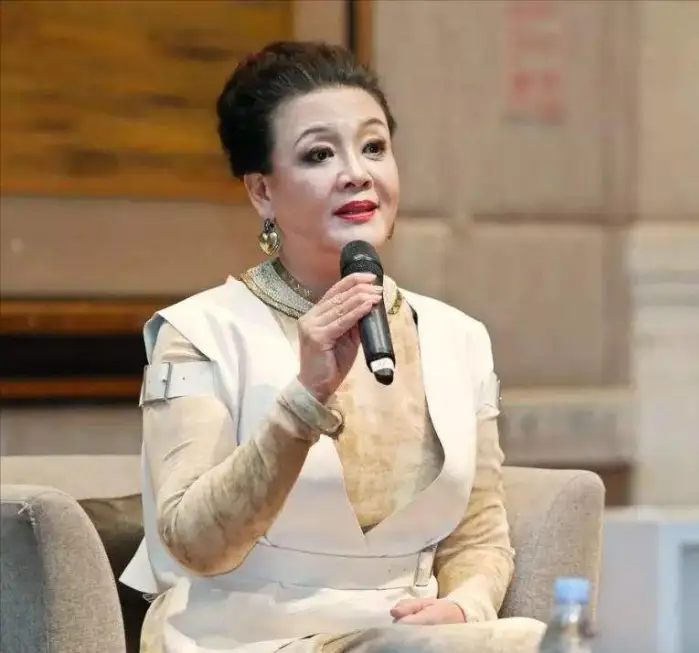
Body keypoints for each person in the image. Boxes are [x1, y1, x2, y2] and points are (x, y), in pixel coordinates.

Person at [119, 41, 545, 653]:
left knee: (540, 639)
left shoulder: (459, 337)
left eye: (373, 146)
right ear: (262, 192)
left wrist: (460, 608)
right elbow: (195, 543)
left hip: (402, 638)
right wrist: (304, 398)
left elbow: (478, 536)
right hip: (241, 638)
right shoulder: (199, 333)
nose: (357, 173)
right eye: (319, 154)